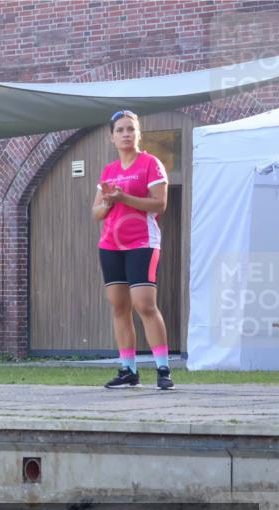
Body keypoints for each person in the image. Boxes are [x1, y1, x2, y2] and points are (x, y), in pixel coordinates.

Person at [92, 110, 174, 390]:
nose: (126, 134)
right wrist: (109, 203)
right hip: (110, 245)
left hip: (142, 243)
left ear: (139, 133)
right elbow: (96, 212)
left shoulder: (151, 163)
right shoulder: (108, 171)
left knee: (145, 305)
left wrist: (123, 197)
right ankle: (128, 370)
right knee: (119, 306)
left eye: (131, 129)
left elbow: (159, 204)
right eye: (120, 130)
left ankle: (163, 369)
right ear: (111, 137)